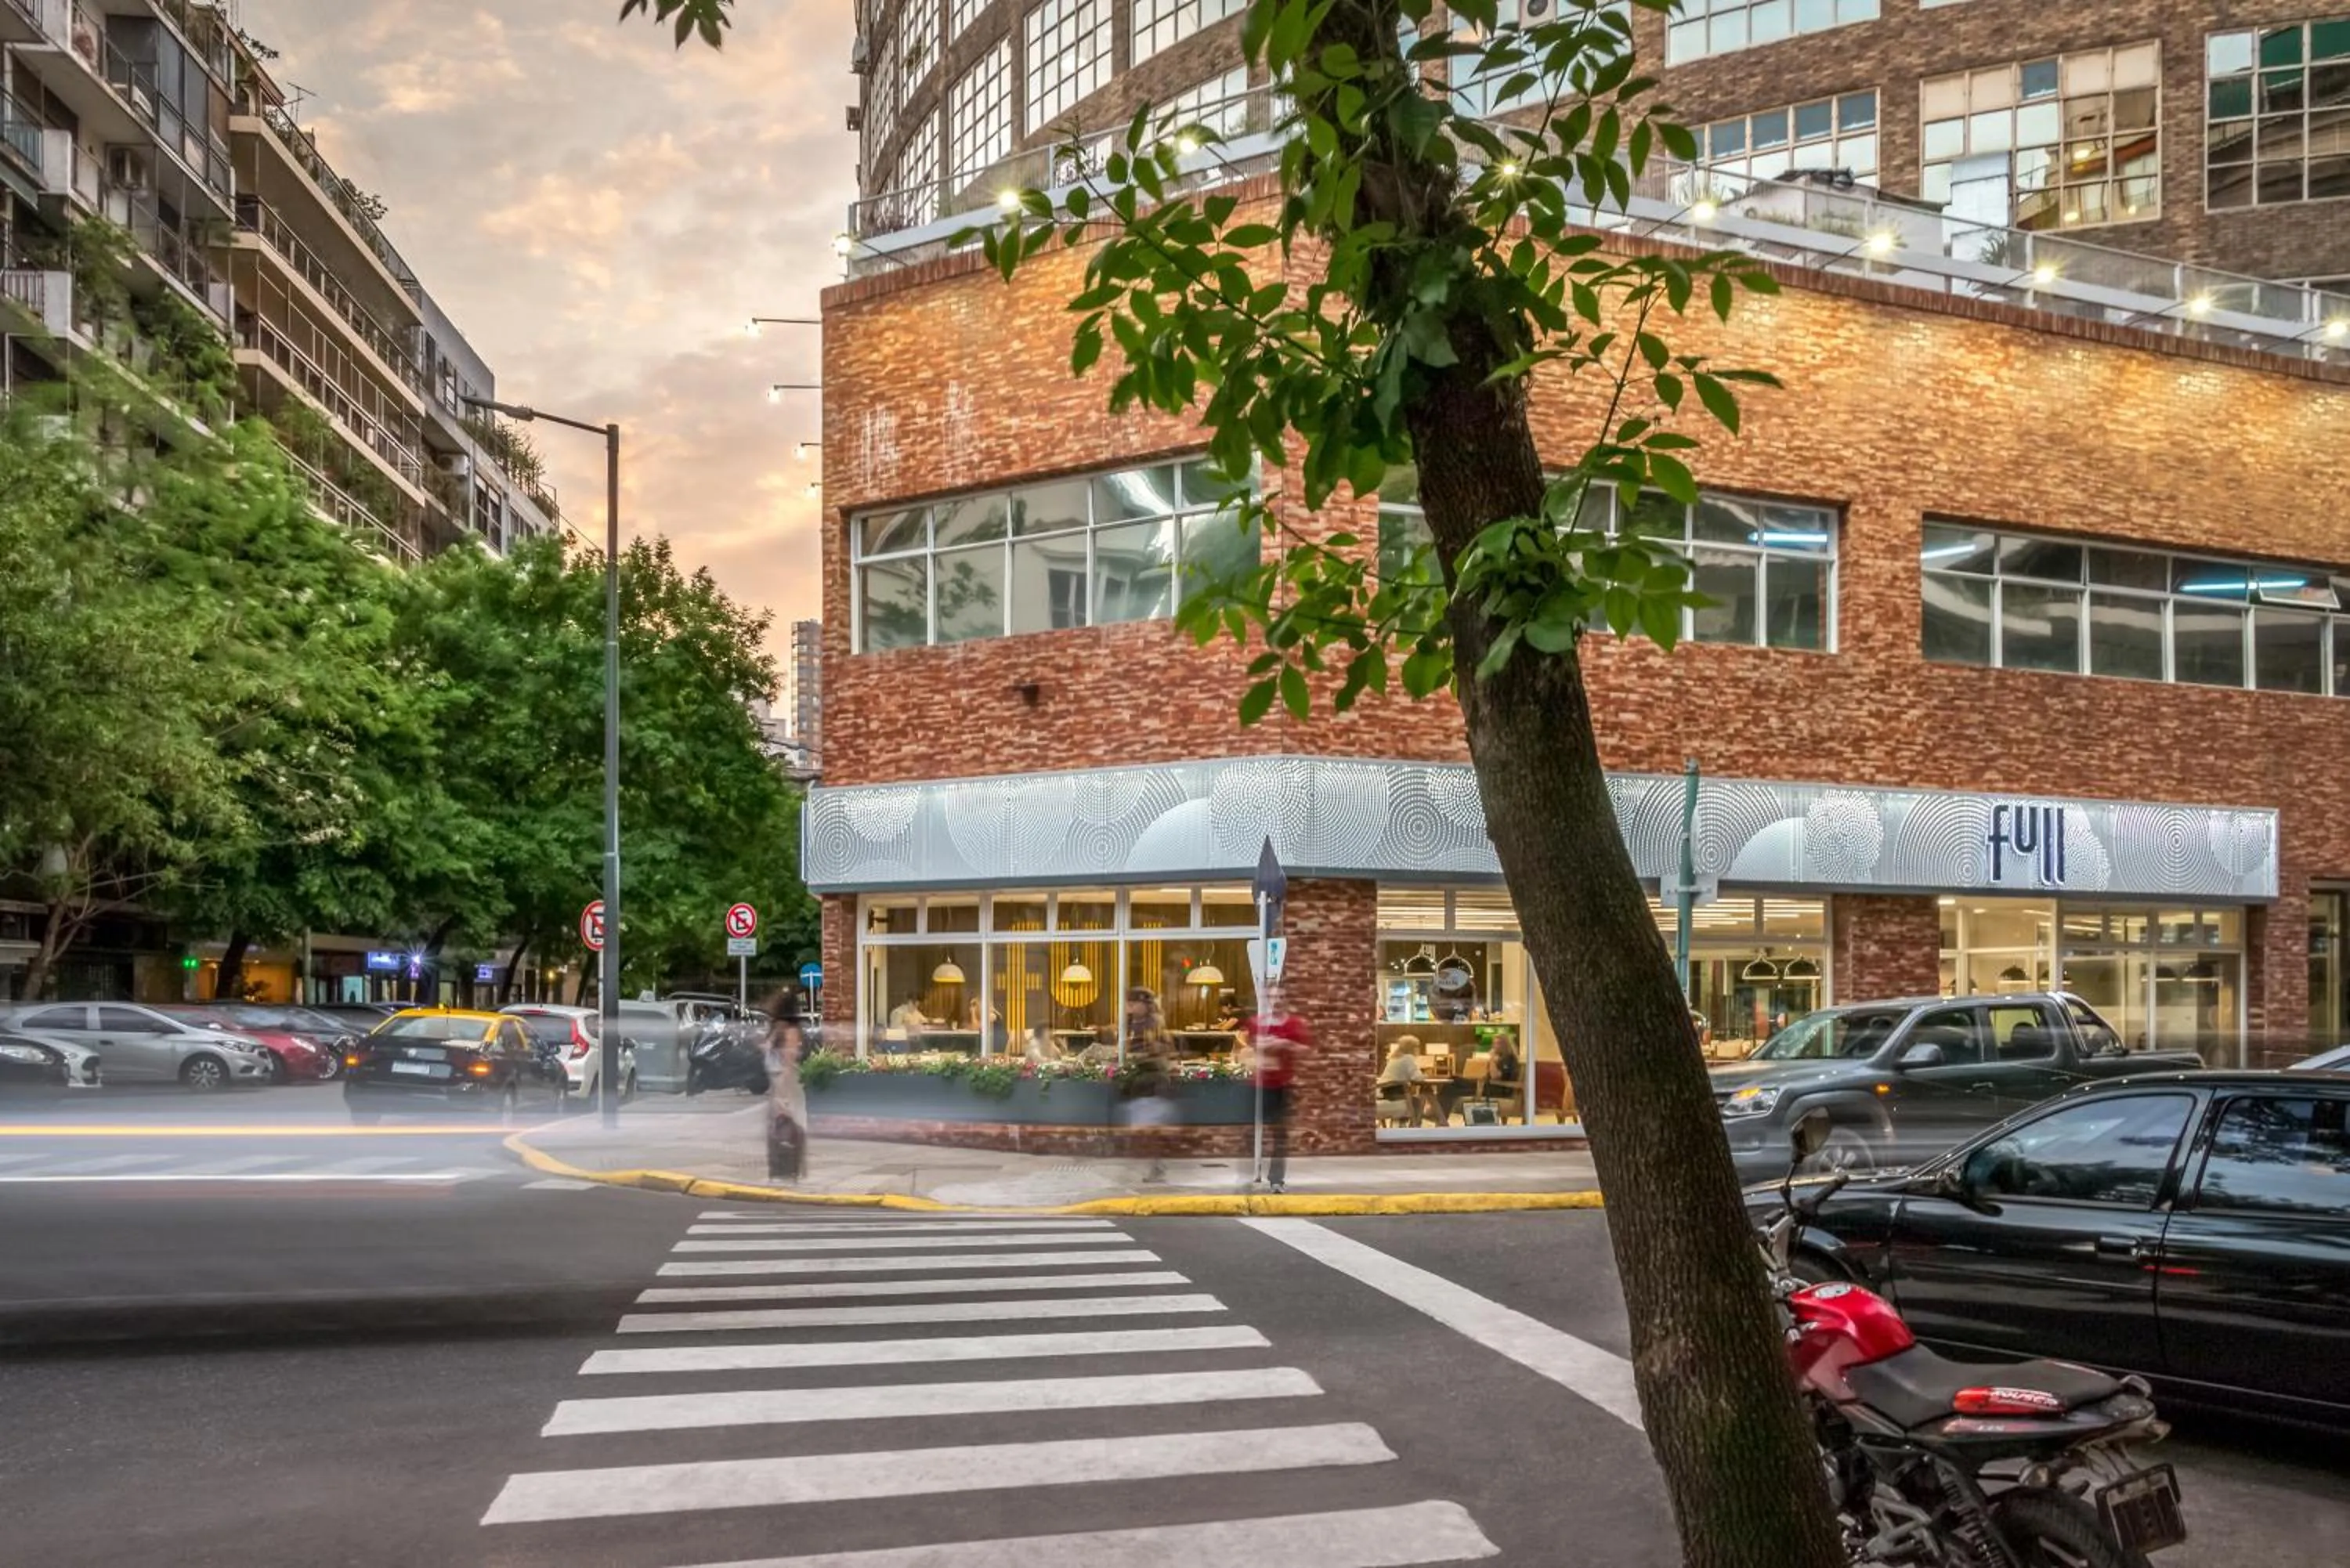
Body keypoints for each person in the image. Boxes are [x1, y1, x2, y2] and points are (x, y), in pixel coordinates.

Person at [1246, 991, 1313, 1191]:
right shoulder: (1257, 1022)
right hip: (1259, 1085)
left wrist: (1286, 1044)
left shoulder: (1294, 1024)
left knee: (1280, 1133)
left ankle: (1276, 1179)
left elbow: (1306, 1050)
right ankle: (1251, 1173)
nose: (1276, 1001)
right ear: (1267, 1000)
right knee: (1252, 1131)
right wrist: (1263, 1045)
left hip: (1283, 1085)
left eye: (1281, 997)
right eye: (1272, 997)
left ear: (1286, 1000)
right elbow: (1250, 1044)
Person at [1122, 987, 1176, 1182]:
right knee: (1144, 1127)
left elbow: (1166, 1048)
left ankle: (1157, 1165)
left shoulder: (1153, 1022)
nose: (1130, 1006)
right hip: (1141, 1080)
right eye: (1129, 1003)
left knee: (1148, 1126)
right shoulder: (1130, 1023)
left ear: (1144, 1005)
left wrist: (1146, 1053)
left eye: (1134, 1003)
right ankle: (1156, 1164)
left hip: (1153, 1081)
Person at [765, 1010, 811, 1182]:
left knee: (786, 1130)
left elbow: (787, 1063)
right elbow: (787, 1063)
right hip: (785, 1089)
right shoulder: (785, 1031)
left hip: (786, 1088)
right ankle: (789, 1170)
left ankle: (786, 1170)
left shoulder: (782, 1031)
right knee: (789, 1130)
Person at [1376, 1034, 1430, 1125]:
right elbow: (1416, 1077)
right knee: (1417, 1102)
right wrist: (1427, 1075)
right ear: (1412, 1048)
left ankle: (1403, 1126)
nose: (1418, 1049)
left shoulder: (1394, 1058)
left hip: (1385, 1092)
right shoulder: (1408, 1058)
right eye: (1417, 1047)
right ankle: (1413, 1127)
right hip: (1397, 1093)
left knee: (1415, 1099)